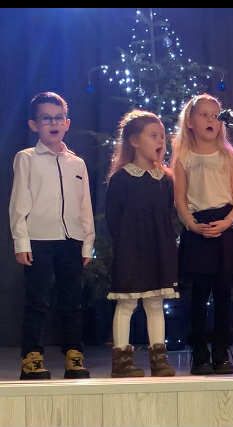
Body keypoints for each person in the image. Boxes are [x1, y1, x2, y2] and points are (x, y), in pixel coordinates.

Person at [10, 92, 94, 380]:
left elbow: (85, 206)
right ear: (34, 125)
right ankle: (32, 356)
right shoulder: (26, 158)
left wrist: (87, 244)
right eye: (46, 119)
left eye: (59, 118)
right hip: (39, 239)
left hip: (71, 239)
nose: (54, 123)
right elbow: (19, 203)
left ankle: (74, 354)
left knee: (72, 301)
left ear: (67, 123)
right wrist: (21, 241)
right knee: (38, 300)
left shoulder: (77, 163)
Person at [172, 94, 233, 375]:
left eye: (215, 115)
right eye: (203, 115)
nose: (210, 120)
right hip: (198, 227)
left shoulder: (229, 155)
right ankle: (199, 351)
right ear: (190, 122)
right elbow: (180, 199)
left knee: (223, 293)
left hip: (226, 227)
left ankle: (221, 350)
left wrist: (228, 221)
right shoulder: (184, 157)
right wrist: (191, 224)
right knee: (198, 294)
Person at [106, 110, 178, 377]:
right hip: (131, 250)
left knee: (155, 303)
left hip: (159, 250)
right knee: (126, 304)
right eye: (153, 135)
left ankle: (159, 359)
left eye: (162, 136)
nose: (160, 141)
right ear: (135, 141)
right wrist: (126, 245)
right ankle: (121, 361)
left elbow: (168, 215)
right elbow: (113, 218)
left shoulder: (165, 180)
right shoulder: (122, 179)